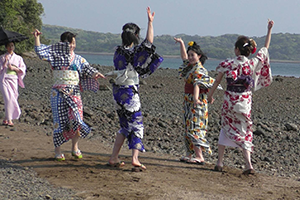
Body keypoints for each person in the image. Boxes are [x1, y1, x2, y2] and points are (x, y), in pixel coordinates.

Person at [207, 20, 274, 175]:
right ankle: (248, 164)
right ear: (249, 51)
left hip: (229, 102)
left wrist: (210, 96)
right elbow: (265, 49)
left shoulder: (228, 63)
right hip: (244, 102)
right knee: (245, 131)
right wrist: (269, 30)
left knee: (225, 128)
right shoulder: (251, 64)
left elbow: (217, 81)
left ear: (237, 50)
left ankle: (219, 162)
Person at [33, 29, 105, 161]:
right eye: (69, 43)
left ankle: (75, 147)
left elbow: (87, 68)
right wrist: (37, 38)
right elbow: (40, 52)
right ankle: (58, 150)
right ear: (63, 44)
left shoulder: (79, 59)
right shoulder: (55, 56)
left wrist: (95, 74)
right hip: (58, 93)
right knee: (59, 121)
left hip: (74, 93)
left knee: (77, 119)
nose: (72, 46)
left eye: (73, 43)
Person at [106, 7, 163, 172]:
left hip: (117, 92)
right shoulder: (134, 51)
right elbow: (148, 44)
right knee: (137, 124)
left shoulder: (117, 51)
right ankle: (135, 158)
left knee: (124, 125)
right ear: (135, 36)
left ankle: (114, 157)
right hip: (129, 92)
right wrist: (150, 23)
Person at [173, 38, 221, 164]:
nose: (190, 57)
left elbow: (197, 85)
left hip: (197, 102)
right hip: (188, 100)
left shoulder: (199, 70)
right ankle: (189, 154)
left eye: (192, 55)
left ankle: (199, 156)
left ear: (199, 56)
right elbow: (184, 57)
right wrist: (182, 44)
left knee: (195, 127)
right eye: (190, 55)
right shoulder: (190, 66)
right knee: (187, 127)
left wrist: (195, 99)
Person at [0, 42, 26, 127]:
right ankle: (10, 119)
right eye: (9, 46)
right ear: (6, 47)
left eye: (12, 46)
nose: (11, 47)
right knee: (8, 98)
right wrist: (5, 62)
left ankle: (6, 118)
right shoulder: (2, 57)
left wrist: (14, 68)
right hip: (4, 79)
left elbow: (22, 69)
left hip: (13, 79)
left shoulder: (18, 58)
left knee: (14, 97)